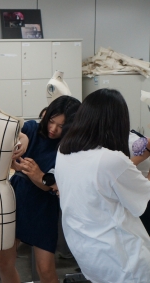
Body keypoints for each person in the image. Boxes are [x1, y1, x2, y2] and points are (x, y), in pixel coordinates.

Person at [56, 89, 150, 282]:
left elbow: (105, 178)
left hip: (89, 254)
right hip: (124, 261)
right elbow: (144, 198)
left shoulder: (64, 151)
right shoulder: (111, 160)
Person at [0, 95, 81, 283]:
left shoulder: (69, 148)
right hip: (16, 199)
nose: (53, 129)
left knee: (45, 269)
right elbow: (5, 126)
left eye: (61, 126)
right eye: (51, 121)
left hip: (44, 206)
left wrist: (36, 175)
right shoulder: (32, 130)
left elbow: (51, 186)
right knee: (4, 262)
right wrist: (21, 137)